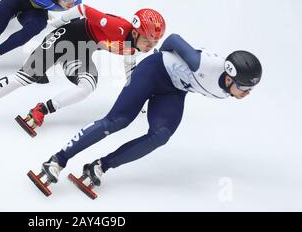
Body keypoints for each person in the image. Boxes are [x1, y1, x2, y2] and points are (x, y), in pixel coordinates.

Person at [29, 33, 262, 197]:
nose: (246, 94)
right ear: (230, 78)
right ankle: (57, 160)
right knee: (117, 121)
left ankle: (99, 166)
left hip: (173, 90)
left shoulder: (228, 89)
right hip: (153, 71)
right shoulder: (201, 64)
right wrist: (161, 59)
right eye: (244, 88)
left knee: (160, 135)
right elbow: (173, 39)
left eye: (249, 89)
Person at [0, 4, 166, 135]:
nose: (151, 46)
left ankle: (41, 110)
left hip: (80, 51)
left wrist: (138, 99)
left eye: (155, 42)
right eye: (148, 40)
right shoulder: (116, 27)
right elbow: (82, 9)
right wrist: (58, 22)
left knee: (87, 87)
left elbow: (130, 76)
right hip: (64, 37)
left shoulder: (132, 49)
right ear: (136, 32)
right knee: (24, 78)